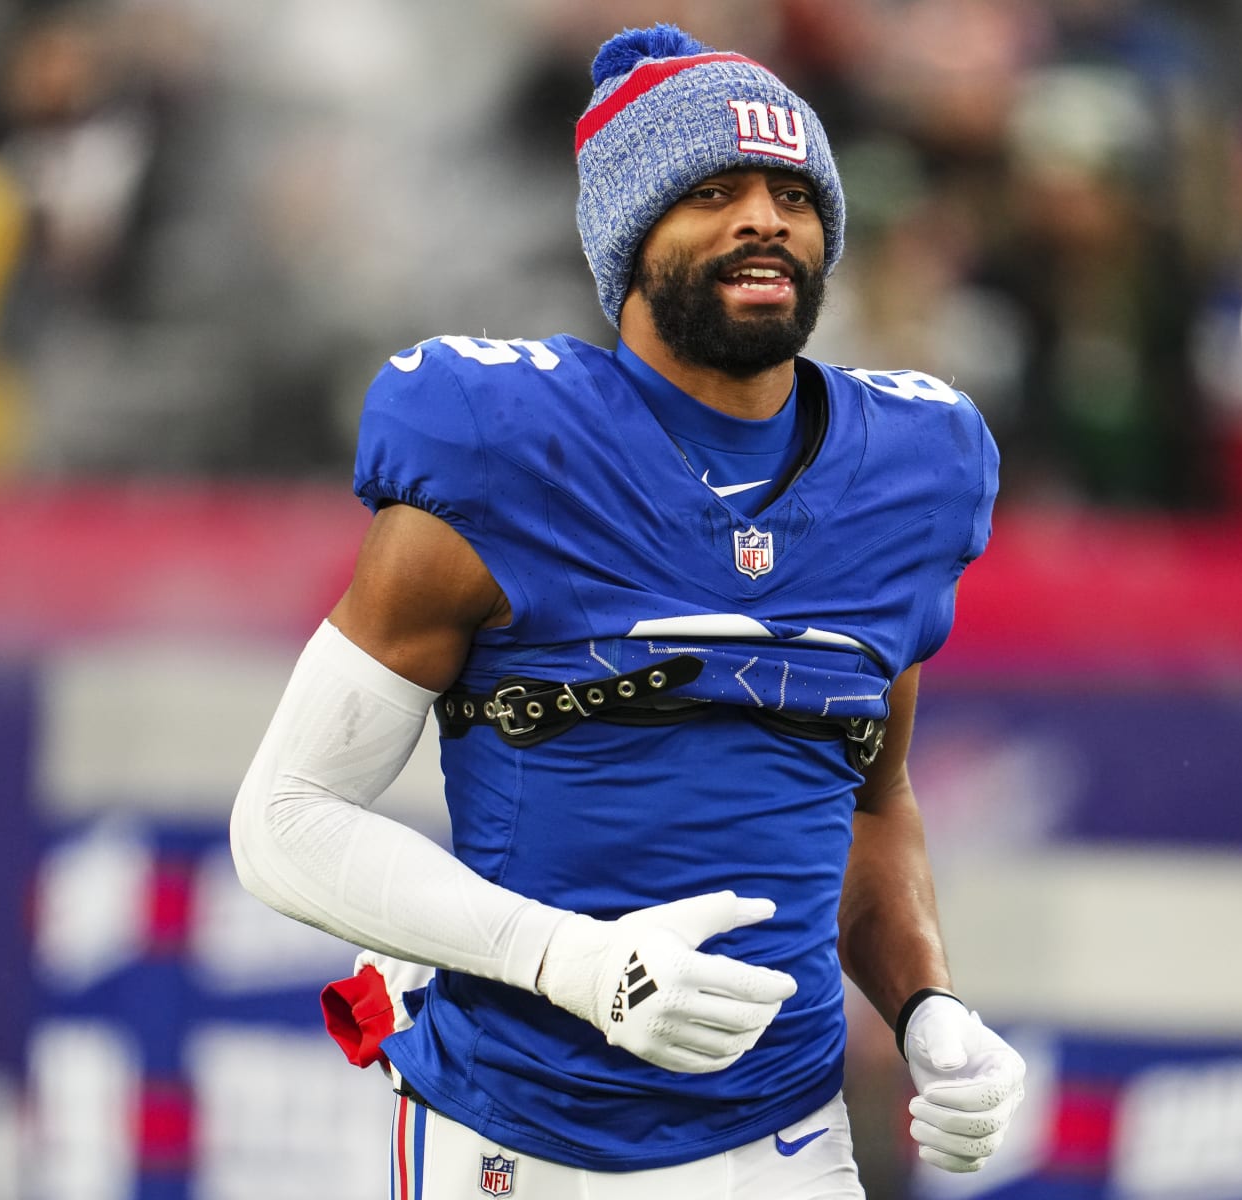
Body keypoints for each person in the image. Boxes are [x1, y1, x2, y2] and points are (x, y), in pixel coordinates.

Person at [230, 23, 1024, 1199]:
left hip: (783, 1134)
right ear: (628, 233)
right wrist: (567, 959)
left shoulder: (914, 471)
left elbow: (870, 797)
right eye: (714, 190)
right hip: (515, 1130)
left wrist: (924, 1007)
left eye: (793, 190)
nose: (765, 216)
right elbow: (285, 818)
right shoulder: (504, 450)